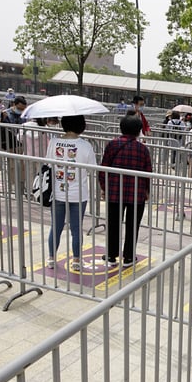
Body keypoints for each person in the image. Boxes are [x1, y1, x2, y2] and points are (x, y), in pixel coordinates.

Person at [98, 115, 153, 267]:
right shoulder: (143, 149)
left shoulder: (112, 145)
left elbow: (103, 169)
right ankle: (129, 257)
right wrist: (147, 191)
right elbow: (148, 172)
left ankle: (111, 256)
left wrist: (104, 188)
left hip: (115, 192)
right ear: (138, 131)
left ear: (121, 128)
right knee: (132, 225)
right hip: (136, 194)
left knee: (113, 224)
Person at [46, 115, 97, 270]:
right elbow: (92, 168)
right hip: (78, 193)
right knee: (76, 228)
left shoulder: (54, 142)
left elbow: (48, 163)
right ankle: (76, 261)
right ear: (82, 125)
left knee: (56, 227)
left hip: (58, 191)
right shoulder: (85, 145)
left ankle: (51, 259)